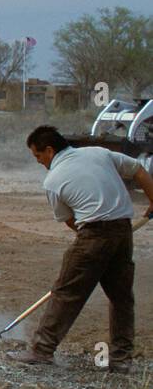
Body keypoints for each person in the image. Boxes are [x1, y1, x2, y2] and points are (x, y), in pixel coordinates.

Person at [9, 126, 153, 374]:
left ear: (50, 150)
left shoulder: (53, 181)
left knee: (66, 292)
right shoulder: (99, 153)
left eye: (38, 156)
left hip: (94, 233)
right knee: (121, 298)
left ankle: (41, 350)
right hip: (123, 231)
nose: (39, 162)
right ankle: (121, 359)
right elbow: (139, 170)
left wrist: (92, 242)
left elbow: (69, 220)